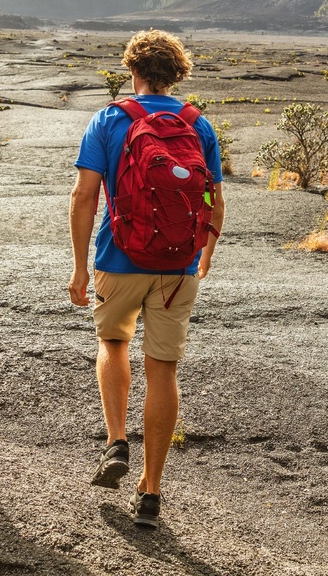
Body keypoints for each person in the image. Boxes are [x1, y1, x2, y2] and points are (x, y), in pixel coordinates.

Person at [68, 29, 224, 529]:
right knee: (164, 370)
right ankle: (151, 490)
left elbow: (84, 196)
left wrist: (78, 265)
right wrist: (206, 253)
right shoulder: (198, 125)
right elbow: (213, 197)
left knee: (113, 343)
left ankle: (117, 440)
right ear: (177, 73)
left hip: (119, 259)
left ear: (132, 70)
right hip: (177, 266)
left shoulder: (110, 119)